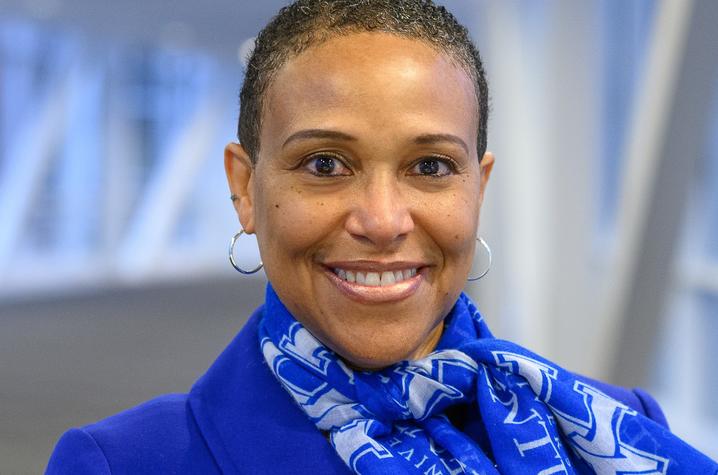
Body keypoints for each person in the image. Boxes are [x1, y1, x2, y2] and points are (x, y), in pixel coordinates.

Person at [47, 1, 717, 473]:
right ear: (245, 188)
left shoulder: (616, 428)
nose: (383, 219)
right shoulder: (124, 461)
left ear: (477, 189)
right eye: (325, 165)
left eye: (430, 167)